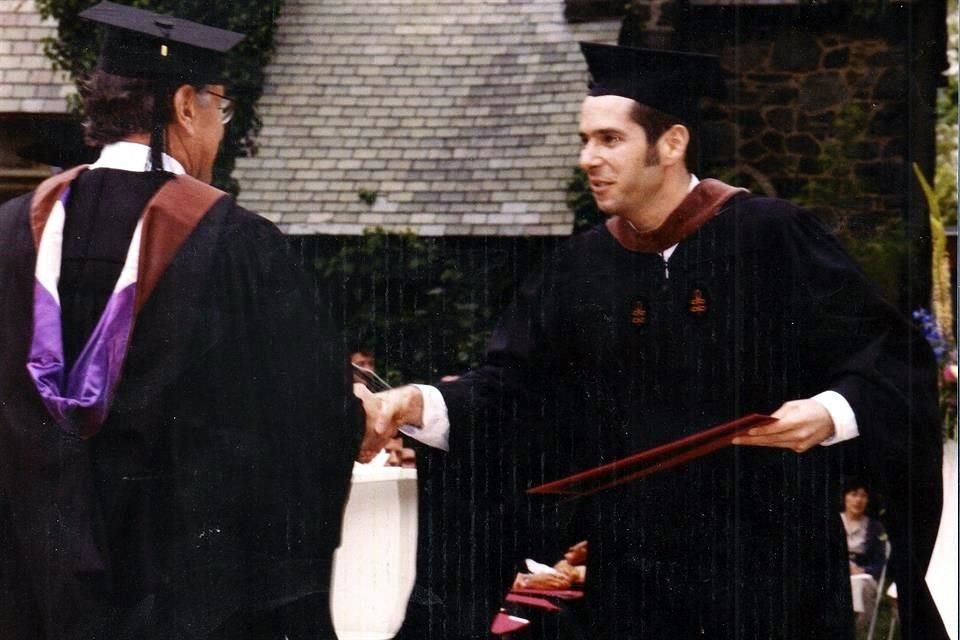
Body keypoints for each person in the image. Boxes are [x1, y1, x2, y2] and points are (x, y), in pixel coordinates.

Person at [360, 42, 945, 639]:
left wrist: (829, 412)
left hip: (773, 576)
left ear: (670, 143)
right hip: (633, 587)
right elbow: (514, 392)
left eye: (610, 140)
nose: (588, 158)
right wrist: (413, 403)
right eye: (585, 139)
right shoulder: (581, 268)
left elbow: (893, 358)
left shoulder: (771, 237)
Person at [0, 3, 360, 639]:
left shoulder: (9, 233)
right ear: (186, 104)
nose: (221, 128)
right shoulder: (238, 244)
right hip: (188, 603)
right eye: (221, 107)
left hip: (32, 589)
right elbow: (306, 422)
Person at [841, 479, 888, 630]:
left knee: (857, 584)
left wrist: (863, 570)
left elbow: (880, 562)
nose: (858, 500)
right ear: (845, 497)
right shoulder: (832, 521)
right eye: (854, 494)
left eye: (863, 496)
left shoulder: (875, 527)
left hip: (863, 577)